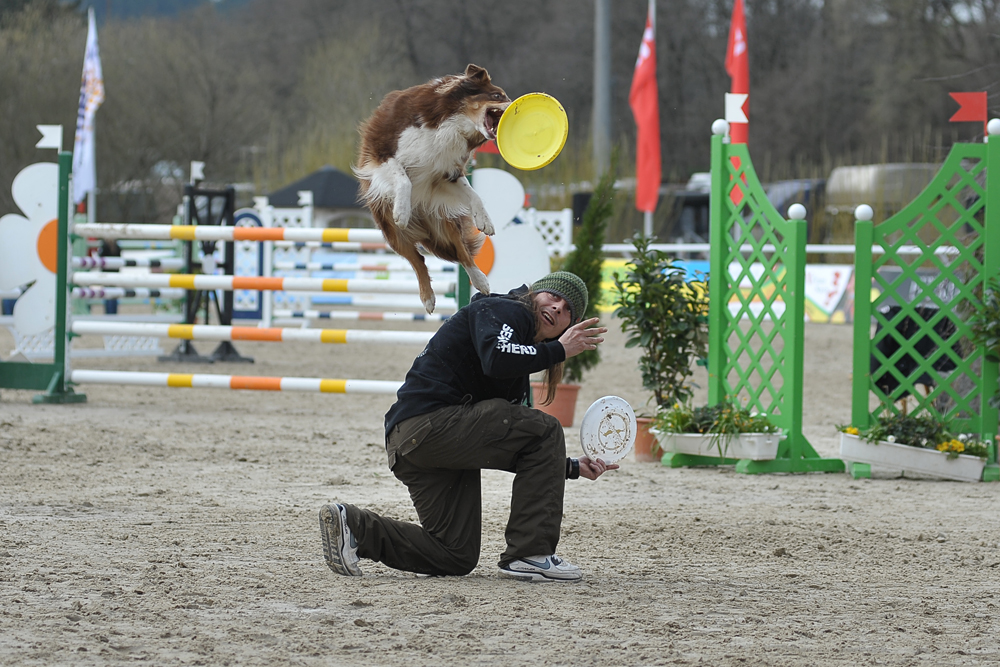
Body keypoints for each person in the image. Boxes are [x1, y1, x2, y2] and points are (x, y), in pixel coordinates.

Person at [319, 271, 616, 582]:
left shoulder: (523, 358)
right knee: (546, 429)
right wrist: (559, 350)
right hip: (428, 426)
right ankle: (531, 554)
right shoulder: (508, 310)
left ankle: (354, 527)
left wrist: (566, 466)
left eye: (568, 308)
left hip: (416, 443)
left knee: (454, 554)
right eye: (553, 296)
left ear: (569, 325)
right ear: (534, 294)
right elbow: (496, 357)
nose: (557, 307)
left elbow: (516, 445)